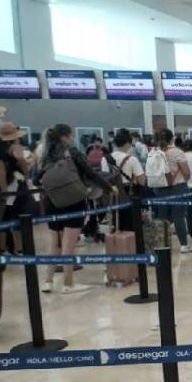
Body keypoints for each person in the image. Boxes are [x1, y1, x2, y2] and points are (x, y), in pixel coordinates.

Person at [37, 124, 111, 293]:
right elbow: (91, 173)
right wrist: (108, 187)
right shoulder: (73, 152)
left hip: (52, 203)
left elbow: (36, 179)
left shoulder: (45, 155)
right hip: (73, 201)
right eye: (70, 135)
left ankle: (48, 281)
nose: (72, 138)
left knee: (54, 243)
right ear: (66, 137)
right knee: (68, 245)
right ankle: (68, 284)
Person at [146, 129, 192, 252]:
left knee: (162, 217)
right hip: (178, 187)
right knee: (178, 216)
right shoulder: (177, 152)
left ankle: (162, 245)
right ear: (172, 139)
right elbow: (186, 172)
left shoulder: (153, 152)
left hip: (160, 188)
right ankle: (183, 245)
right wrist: (183, 178)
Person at [0, 122, 34, 253]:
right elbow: (21, 160)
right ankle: (19, 247)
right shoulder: (15, 147)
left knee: (5, 217)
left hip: (6, 185)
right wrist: (27, 173)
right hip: (17, 185)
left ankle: (3, 247)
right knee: (20, 215)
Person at [107, 129, 147, 232]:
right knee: (131, 226)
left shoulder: (106, 159)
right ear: (128, 143)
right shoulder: (131, 159)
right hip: (129, 194)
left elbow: (104, 177)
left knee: (116, 225)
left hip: (112, 195)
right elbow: (142, 181)